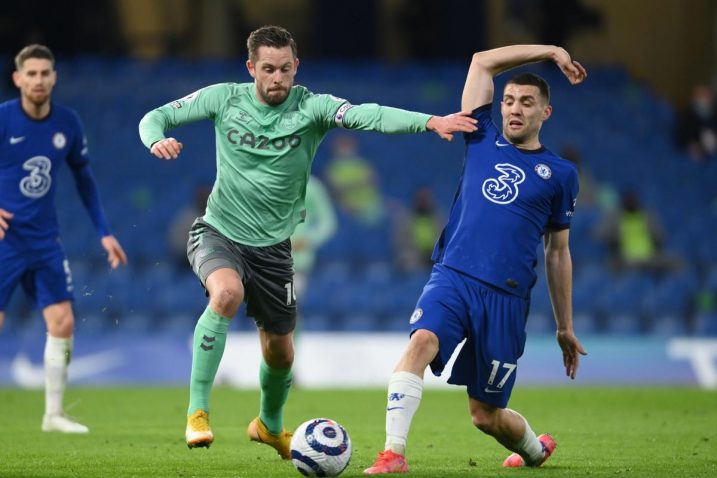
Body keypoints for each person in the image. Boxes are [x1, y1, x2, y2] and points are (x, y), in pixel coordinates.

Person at [138, 25, 477, 458]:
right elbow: (154, 117)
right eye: (267, 69)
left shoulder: (314, 108)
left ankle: (269, 425)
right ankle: (198, 412)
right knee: (225, 294)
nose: (277, 78)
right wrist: (157, 140)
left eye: (285, 69)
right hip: (219, 232)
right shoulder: (223, 98)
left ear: (296, 66)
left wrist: (429, 121)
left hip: (276, 249)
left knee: (280, 350)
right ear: (251, 69)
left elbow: (368, 115)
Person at [364, 44, 588, 474]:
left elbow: (558, 253)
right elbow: (481, 61)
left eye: (526, 102)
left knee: (485, 415)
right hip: (453, 276)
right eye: (508, 101)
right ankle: (393, 453)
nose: (513, 110)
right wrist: (552, 51)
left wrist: (564, 326)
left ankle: (535, 449)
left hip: (505, 299)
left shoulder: (560, 174)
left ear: (546, 112)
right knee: (420, 343)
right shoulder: (481, 135)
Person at [0, 44, 127, 433]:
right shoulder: (3, 119)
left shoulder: (67, 124)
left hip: (44, 240)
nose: (39, 80)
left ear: (54, 77)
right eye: (31, 73)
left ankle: (53, 414)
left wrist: (104, 232)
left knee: (62, 322)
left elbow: (84, 181)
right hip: (5, 241)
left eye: (45, 73)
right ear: (18, 78)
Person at [291, 175, 337, 298]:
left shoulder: (311, 187)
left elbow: (328, 223)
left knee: (287, 304)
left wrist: (308, 240)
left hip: (297, 261)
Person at [675, 83, 716, 162]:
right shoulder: (687, 117)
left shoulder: (714, 116)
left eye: (706, 95)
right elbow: (681, 137)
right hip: (695, 157)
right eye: (700, 95)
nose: (703, 99)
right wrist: (691, 146)